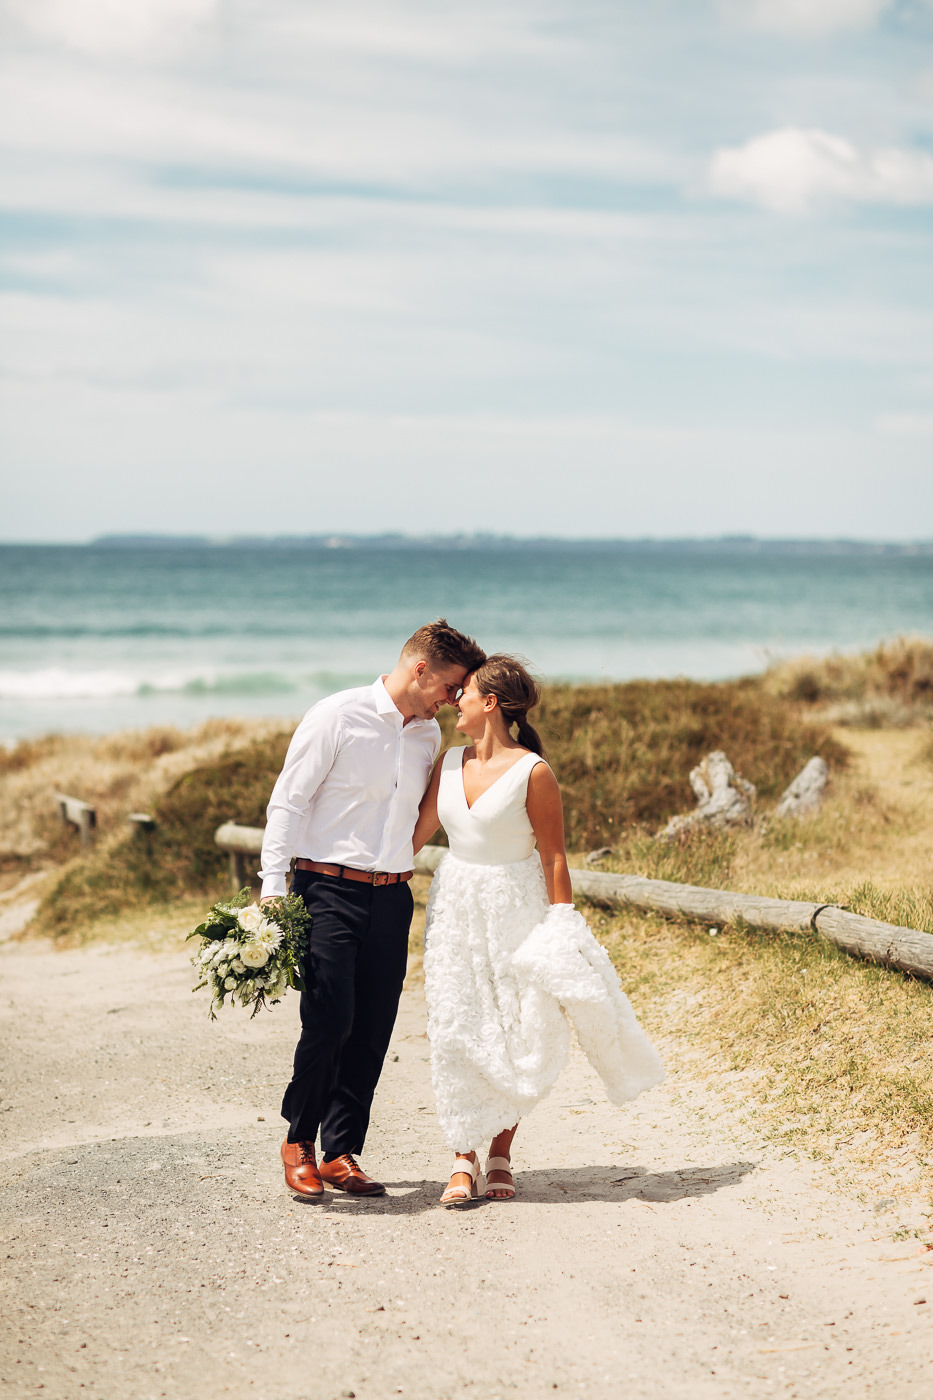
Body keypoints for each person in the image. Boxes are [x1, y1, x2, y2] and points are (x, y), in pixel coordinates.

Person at [414, 654, 664, 1207]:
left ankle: (499, 1153)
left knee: (515, 1027)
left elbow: (554, 857)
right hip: (455, 906)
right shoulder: (448, 763)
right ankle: (462, 1154)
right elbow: (417, 835)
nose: (456, 699)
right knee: (456, 1022)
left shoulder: (534, 771)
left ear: (492, 704)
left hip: (516, 905)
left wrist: (562, 922)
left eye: (467, 692)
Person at [259, 619, 486, 1200]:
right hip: (325, 889)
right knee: (329, 1019)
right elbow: (288, 802)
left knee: (373, 1026)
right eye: (452, 686)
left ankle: (341, 1152)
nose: (455, 698)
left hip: (391, 896)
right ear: (421, 670)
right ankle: (298, 1142)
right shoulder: (337, 715)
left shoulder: (428, 737)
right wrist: (272, 890)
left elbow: (414, 820)